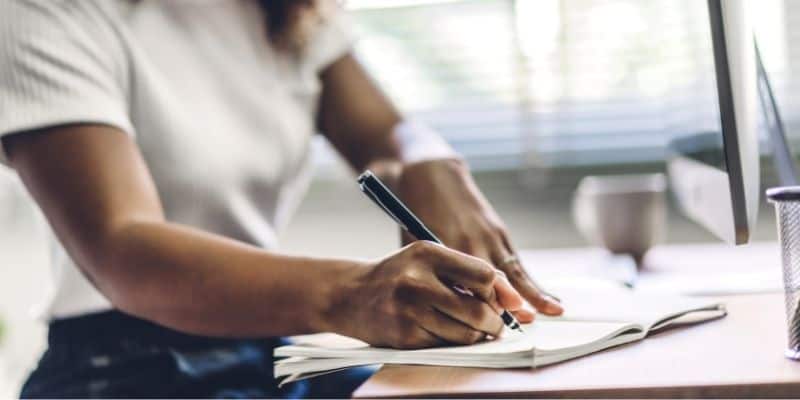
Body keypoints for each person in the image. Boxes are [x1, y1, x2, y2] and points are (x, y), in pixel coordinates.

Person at [0, 0, 564, 397]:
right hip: (120, 369)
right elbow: (121, 246)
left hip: (267, 350)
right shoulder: (40, 11)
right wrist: (353, 292)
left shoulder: (288, 10)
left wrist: (429, 163)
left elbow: (383, 134)